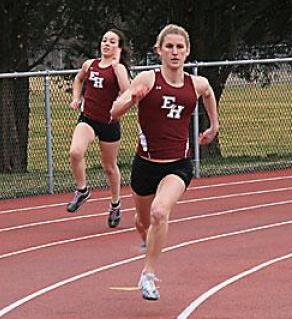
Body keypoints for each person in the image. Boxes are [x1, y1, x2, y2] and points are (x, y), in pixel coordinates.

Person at [110, 24, 219, 300]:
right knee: (143, 222)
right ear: (159, 50)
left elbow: (208, 94)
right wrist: (132, 99)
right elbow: (114, 111)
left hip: (177, 165)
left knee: (160, 212)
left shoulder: (196, 84)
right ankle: (148, 239)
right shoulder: (147, 79)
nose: (174, 52)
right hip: (145, 165)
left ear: (188, 51)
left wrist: (214, 125)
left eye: (180, 47)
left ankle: (148, 275)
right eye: (169, 47)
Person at [66, 29, 130, 228]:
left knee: (109, 167)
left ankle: (115, 204)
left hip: (109, 123)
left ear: (118, 47)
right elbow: (78, 79)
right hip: (88, 119)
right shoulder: (90, 65)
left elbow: (127, 93)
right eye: (104, 40)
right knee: (75, 152)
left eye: (112, 41)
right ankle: (82, 189)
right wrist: (77, 98)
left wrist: (119, 105)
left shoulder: (118, 69)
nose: (106, 44)